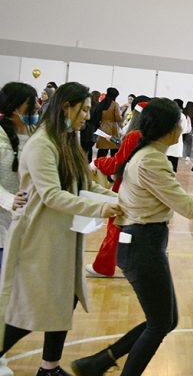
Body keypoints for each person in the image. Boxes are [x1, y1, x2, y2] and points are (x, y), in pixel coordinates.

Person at [70, 98, 193, 376]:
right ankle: (104, 365)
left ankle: (98, 362)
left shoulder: (146, 154)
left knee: (166, 319)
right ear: (167, 128)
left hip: (143, 244)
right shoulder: (151, 160)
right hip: (142, 246)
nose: (182, 129)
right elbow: (188, 206)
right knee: (160, 323)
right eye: (179, 124)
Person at [0, 82, 120, 376]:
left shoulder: (67, 141)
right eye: (85, 110)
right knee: (31, 307)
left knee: (67, 298)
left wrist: (119, 200)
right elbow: (52, 195)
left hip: (63, 234)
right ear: (67, 107)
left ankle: (49, 368)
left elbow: (84, 184)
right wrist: (101, 209)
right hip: (38, 236)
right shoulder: (42, 144)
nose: (87, 116)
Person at [85, 99, 148, 279]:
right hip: (143, 189)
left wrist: (97, 162)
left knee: (115, 227)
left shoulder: (134, 135)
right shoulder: (151, 138)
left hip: (126, 187)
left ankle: (104, 266)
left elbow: (117, 164)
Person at [0, 83, 37, 266]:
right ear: (15, 108)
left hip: (27, 220)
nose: (37, 106)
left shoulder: (35, 134)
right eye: (31, 103)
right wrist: (9, 200)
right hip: (3, 220)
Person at [94, 87, 122, 158]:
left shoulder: (101, 104)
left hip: (102, 128)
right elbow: (118, 118)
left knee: (102, 151)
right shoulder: (115, 104)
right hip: (113, 129)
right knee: (114, 151)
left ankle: (99, 164)